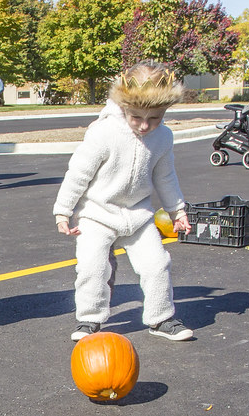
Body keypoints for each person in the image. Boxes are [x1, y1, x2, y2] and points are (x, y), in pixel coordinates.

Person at [53, 62, 194, 343]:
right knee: (93, 267)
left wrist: (177, 210)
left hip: (138, 216)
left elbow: (165, 176)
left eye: (154, 118)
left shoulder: (163, 137)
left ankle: (161, 317)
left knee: (157, 264)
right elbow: (78, 173)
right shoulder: (103, 132)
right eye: (137, 117)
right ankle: (90, 319)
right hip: (97, 214)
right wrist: (63, 211)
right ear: (123, 107)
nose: (145, 125)